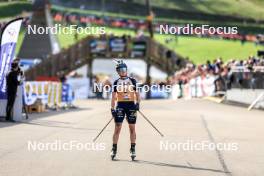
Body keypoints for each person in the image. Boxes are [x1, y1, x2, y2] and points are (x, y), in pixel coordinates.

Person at [110, 60, 140, 160]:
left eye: (124, 69)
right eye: (121, 70)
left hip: (131, 105)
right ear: (118, 72)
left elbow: (137, 94)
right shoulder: (116, 82)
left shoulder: (133, 80)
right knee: (117, 127)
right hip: (120, 105)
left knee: (132, 128)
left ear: (126, 70)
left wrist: (138, 104)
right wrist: (112, 109)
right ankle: (114, 148)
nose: (123, 71)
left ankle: (133, 149)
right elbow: (113, 96)